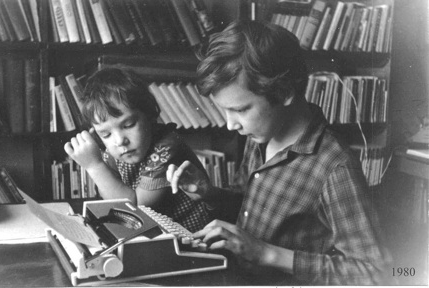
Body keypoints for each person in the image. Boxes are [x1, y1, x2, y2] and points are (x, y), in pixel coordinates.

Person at [166, 20, 393, 285]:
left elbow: (375, 273)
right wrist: (209, 193)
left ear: (283, 92)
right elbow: (247, 207)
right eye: (225, 111)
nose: (230, 124)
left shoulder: (335, 166)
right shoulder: (260, 136)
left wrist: (265, 253)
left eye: (240, 110)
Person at [64, 66, 211, 232]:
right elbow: (111, 195)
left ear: (149, 115)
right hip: (152, 232)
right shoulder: (112, 148)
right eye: (105, 134)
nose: (119, 141)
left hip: (192, 236)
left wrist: (94, 166)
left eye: (128, 125)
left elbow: (135, 209)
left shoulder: (166, 145)